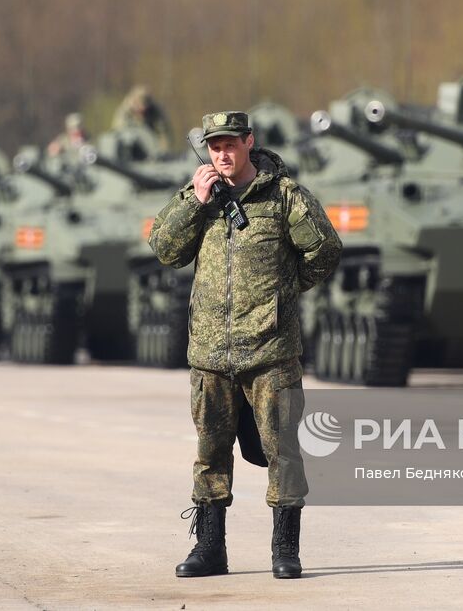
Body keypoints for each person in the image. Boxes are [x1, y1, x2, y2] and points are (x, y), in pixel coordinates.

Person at [149, 110, 342, 580]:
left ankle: (285, 549)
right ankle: (210, 549)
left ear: (249, 143)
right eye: (215, 146)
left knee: (283, 452)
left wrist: (284, 293)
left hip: (270, 353)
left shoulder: (284, 197)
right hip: (211, 355)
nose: (223, 154)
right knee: (210, 454)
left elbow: (325, 249)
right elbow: (165, 250)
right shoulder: (201, 199)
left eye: (231, 144)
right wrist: (194, 201)